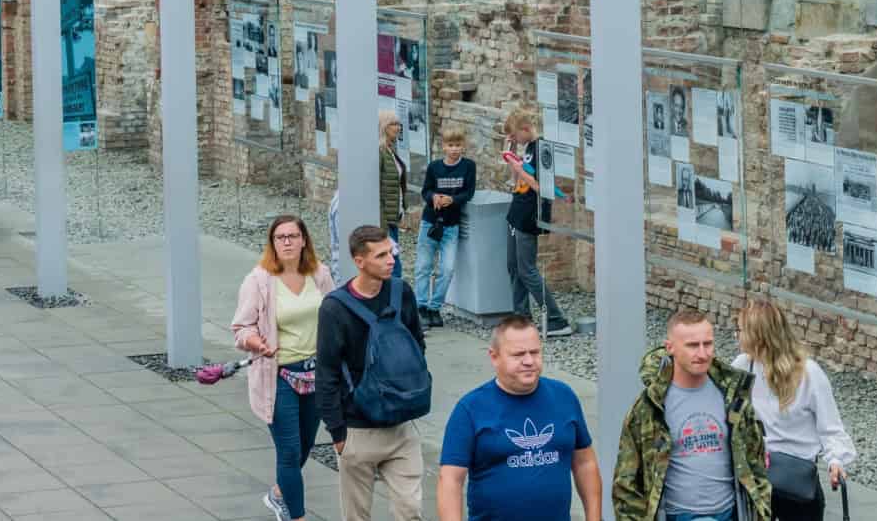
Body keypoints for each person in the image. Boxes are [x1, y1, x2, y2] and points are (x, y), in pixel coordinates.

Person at [612, 308, 771, 521]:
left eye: (708, 344)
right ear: (670, 348)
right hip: (676, 515)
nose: (703, 353)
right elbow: (626, 484)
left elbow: (756, 464)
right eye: (692, 345)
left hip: (730, 513)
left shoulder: (734, 398)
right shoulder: (649, 407)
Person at [315, 225, 429, 521]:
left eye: (391, 252)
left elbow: (417, 344)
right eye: (381, 255)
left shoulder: (401, 292)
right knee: (357, 516)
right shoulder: (334, 308)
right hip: (357, 430)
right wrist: (338, 433)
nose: (391, 260)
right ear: (359, 260)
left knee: (411, 511)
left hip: (402, 426)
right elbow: (326, 374)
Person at [441, 315, 602, 521]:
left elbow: (584, 463)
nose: (529, 361)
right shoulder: (470, 410)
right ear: (494, 356)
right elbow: (451, 480)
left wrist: (594, 517)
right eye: (518, 354)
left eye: (534, 352)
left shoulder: (564, 397)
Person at [233, 215, 336, 521]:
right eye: (281, 237)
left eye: (293, 236)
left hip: (316, 375)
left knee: (305, 448)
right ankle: (297, 515)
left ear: (304, 240)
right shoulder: (259, 281)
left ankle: (278, 493)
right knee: (289, 452)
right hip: (279, 376)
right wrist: (256, 343)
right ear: (273, 244)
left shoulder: (320, 274)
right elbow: (241, 328)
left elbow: (335, 315)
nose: (287, 242)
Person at [733, 299, 855, 520]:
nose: (736, 336)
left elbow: (831, 428)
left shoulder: (809, 374)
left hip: (796, 483)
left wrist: (836, 461)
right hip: (756, 481)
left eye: (740, 330)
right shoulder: (743, 366)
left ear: (758, 337)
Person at [503, 109, 571, 338]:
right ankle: (521, 315)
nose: (516, 140)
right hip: (517, 212)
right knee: (513, 266)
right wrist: (511, 153)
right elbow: (516, 181)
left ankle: (556, 318)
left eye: (516, 136)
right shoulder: (528, 148)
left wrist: (520, 168)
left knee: (527, 269)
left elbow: (542, 187)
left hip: (530, 214)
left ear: (524, 129)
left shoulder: (542, 148)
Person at [415, 128, 476, 327]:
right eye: (450, 145)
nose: (454, 149)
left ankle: (435, 306)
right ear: (443, 147)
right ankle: (421, 306)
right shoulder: (434, 167)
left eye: (458, 145)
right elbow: (426, 191)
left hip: (452, 224)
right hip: (430, 222)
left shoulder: (468, 166)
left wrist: (453, 199)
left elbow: (469, 192)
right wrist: (434, 197)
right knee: (424, 266)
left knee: (447, 268)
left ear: (463, 146)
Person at [379, 109, 407, 280]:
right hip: (385, 220)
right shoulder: (380, 152)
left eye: (398, 124)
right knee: (393, 265)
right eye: (393, 124)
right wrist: (382, 222)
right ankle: (395, 304)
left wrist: (402, 211)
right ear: (384, 127)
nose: (397, 128)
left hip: (393, 217)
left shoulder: (390, 151)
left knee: (393, 263)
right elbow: (377, 188)